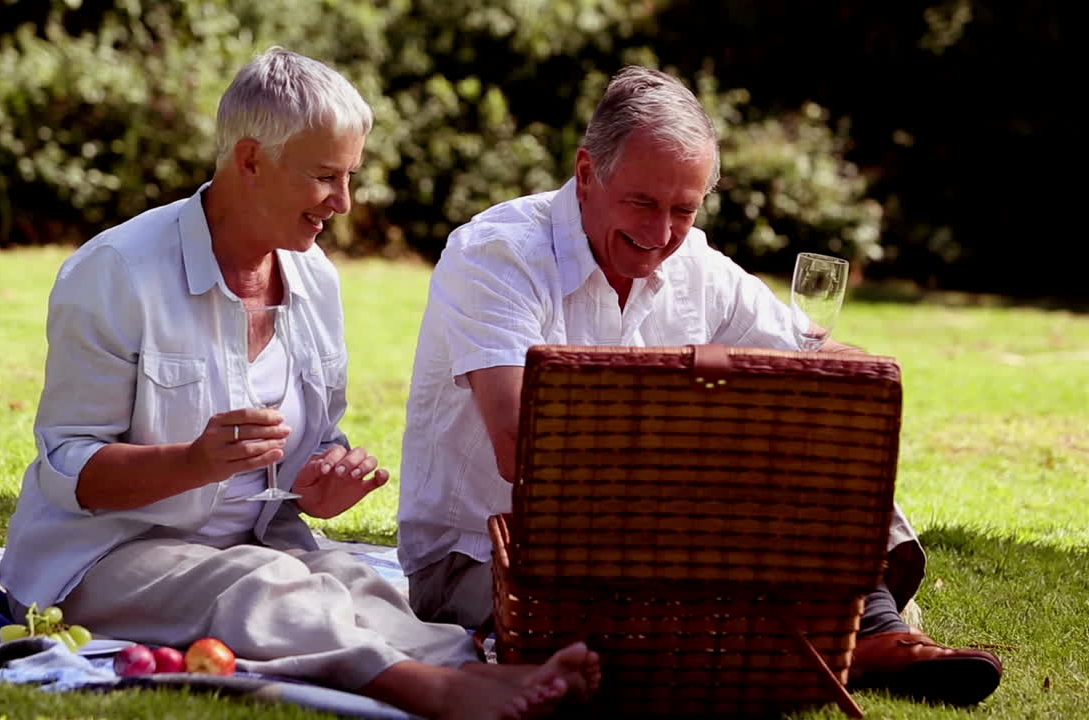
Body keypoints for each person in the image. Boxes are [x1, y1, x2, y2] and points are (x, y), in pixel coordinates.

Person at [0, 48, 599, 720]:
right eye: (325, 177)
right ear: (251, 160)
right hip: (100, 557)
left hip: (258, 542)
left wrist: (322, 479)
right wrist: (193, 462)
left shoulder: (314, 282)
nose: (343, 203)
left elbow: (309, 445)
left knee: (351, 581)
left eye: (349, 177)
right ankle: (430, 691)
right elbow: (68, 468)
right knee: (267, 582)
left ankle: (480, 669)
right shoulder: (114, 272)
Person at [397, 65, 1002, 707]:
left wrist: (814, 395)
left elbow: (827, 369)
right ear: (585, 173)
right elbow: (523, 451)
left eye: (683, 210)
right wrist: (698, 489)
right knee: (657, 630)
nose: (661, 236)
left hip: (654, 543)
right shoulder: (497, 256)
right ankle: (846, 645)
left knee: (799, 430)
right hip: (483, 557)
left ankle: (872, 628)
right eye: (643, 203)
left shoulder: (698, 265)